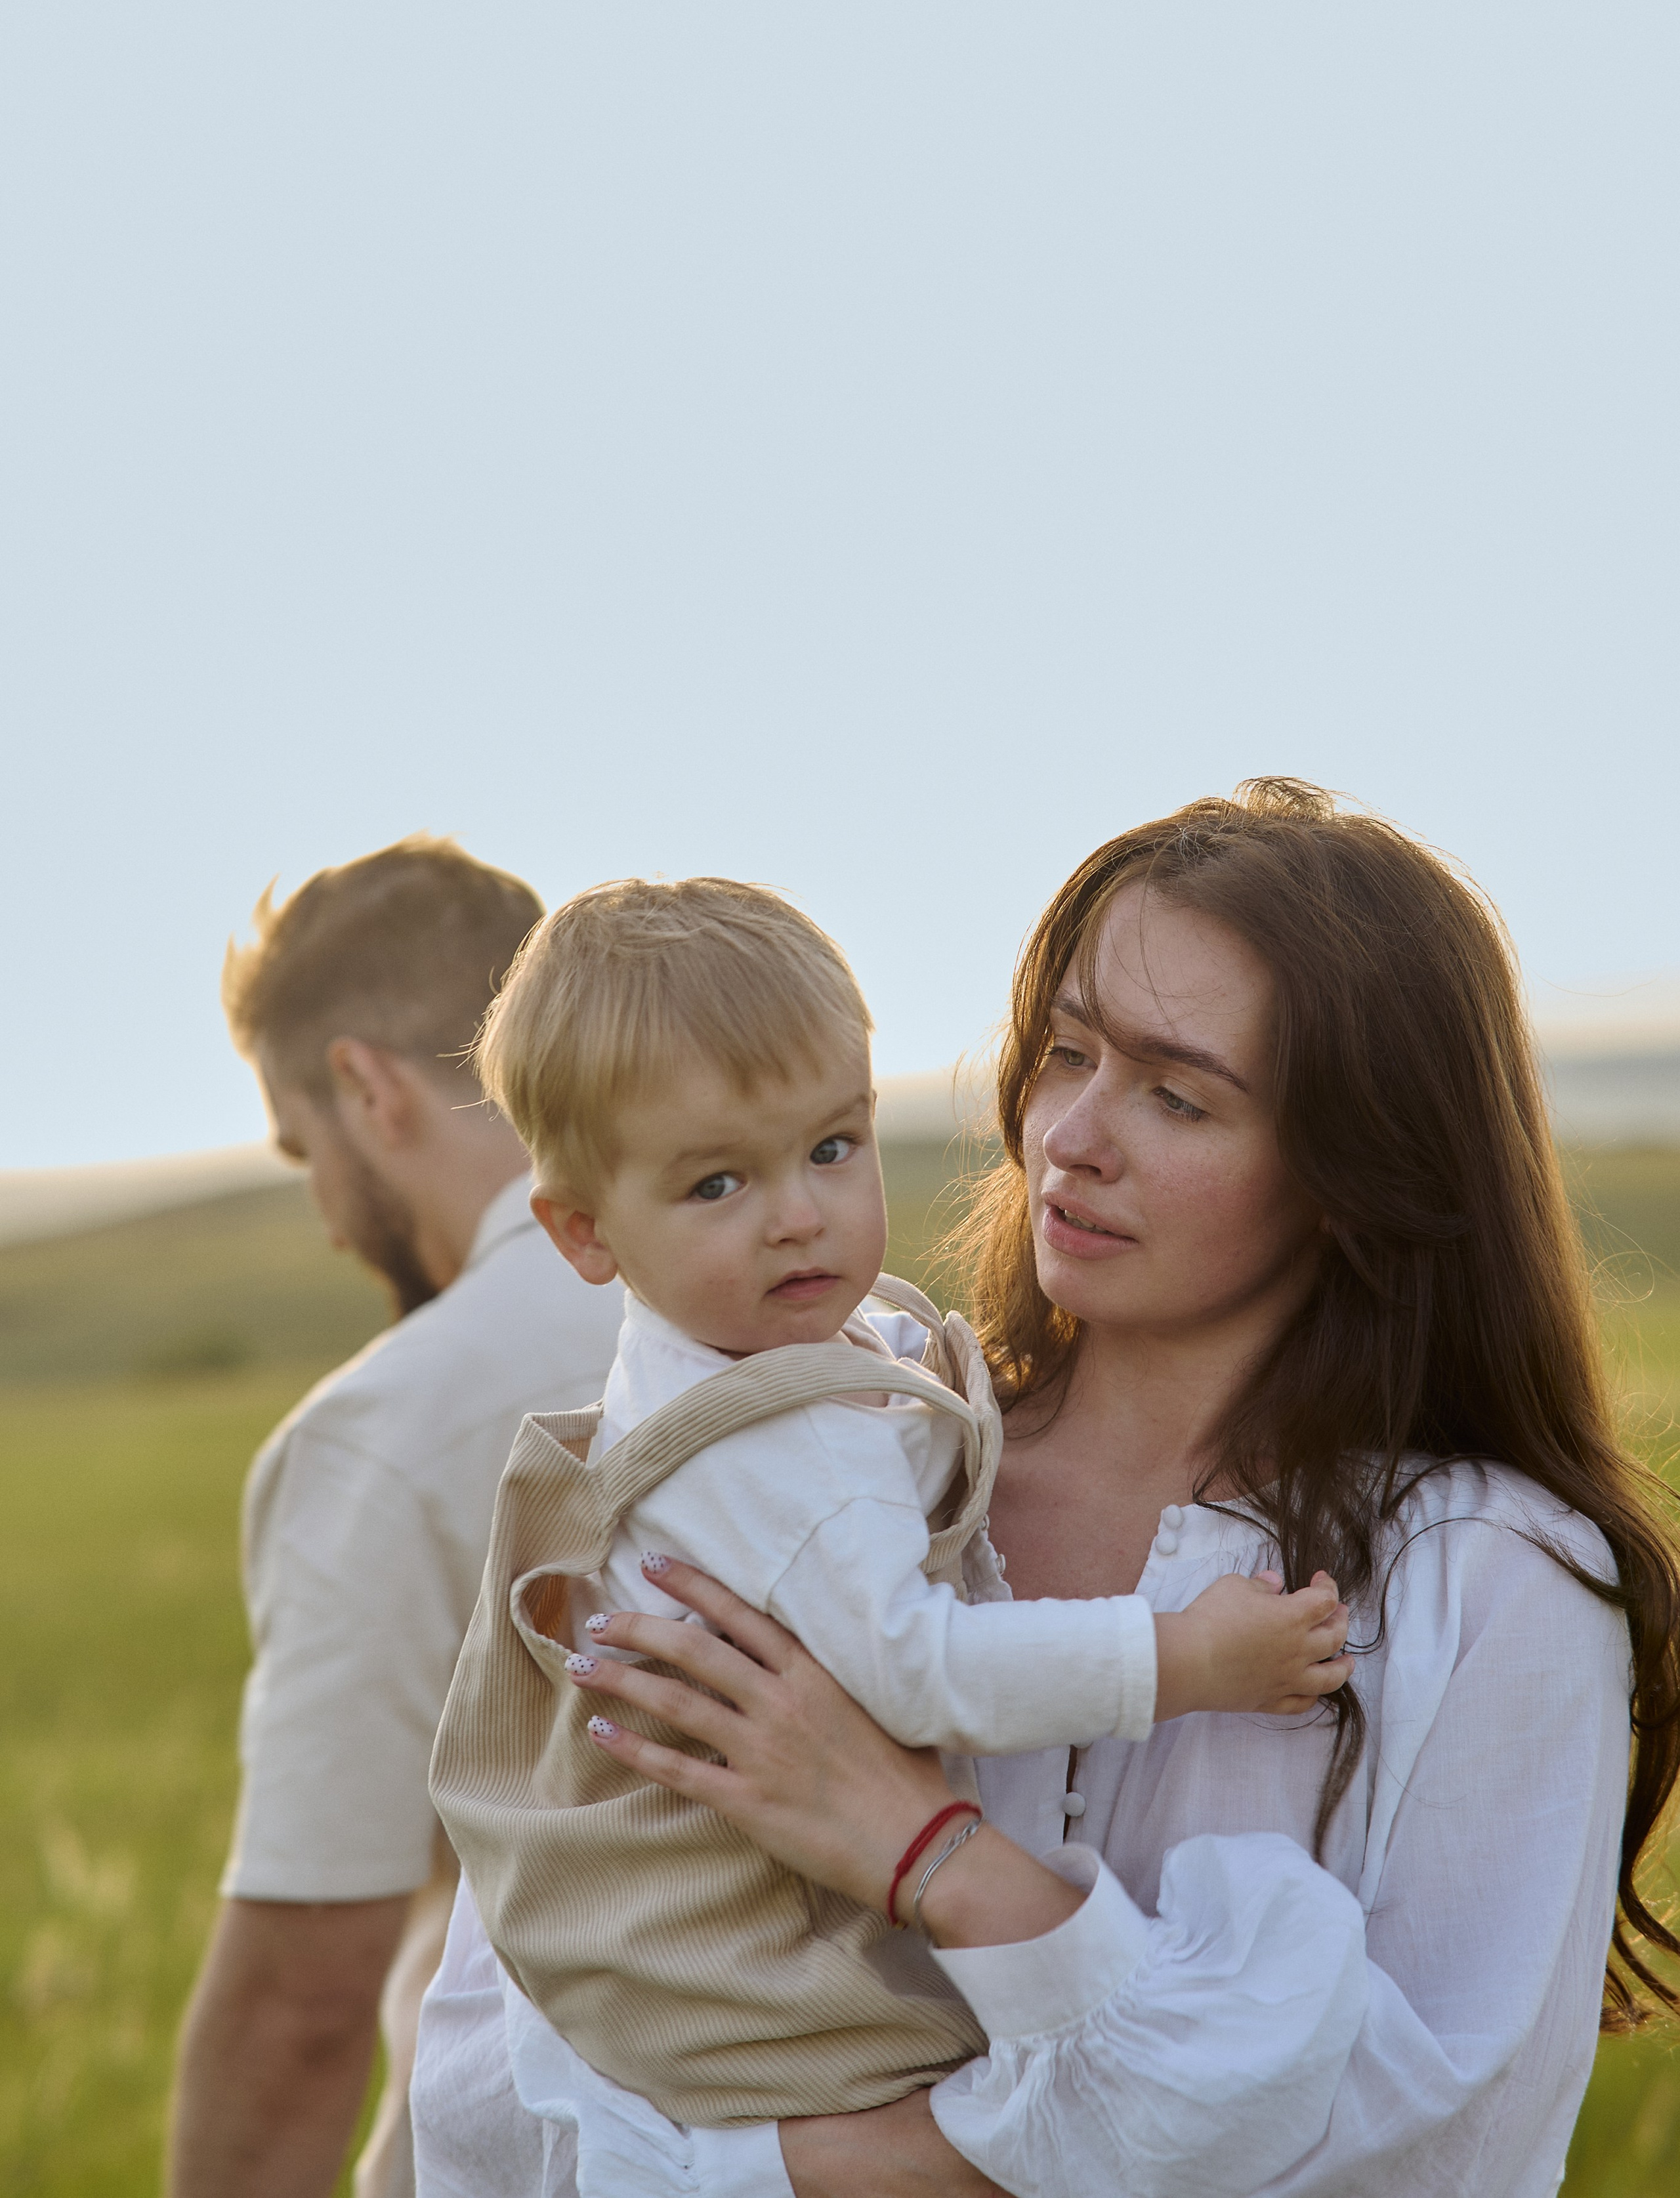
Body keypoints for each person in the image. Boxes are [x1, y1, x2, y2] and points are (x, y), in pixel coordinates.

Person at [411, 782, 1680, 2198]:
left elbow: (1425, 2153)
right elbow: (483, 2083)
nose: (1070, 1132)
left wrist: (920, 1851)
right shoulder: (812, 1468)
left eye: (1175, 1091)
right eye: (1063, 1050)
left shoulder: (1490, 1581)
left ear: (1352, 1167)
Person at [427, 877, 1349, 2128]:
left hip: (663, 1985)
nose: (798, 1216)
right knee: (1145, 2096)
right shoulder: (776, 1454)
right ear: (583, 1231)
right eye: (716, 1186)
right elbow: (916, 1672)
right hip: (772, 1988)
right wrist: (1185, 1655)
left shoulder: (721, 1360)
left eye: (830, 1147)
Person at [167, 837, 623, 2198]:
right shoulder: (831, 1308)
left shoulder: (381, 1435)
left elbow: (297, 2014)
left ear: (365, 1088)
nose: (322, 1214)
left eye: (306, 1149)